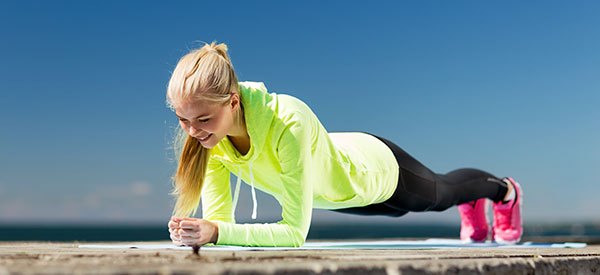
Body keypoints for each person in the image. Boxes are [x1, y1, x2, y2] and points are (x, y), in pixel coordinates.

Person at [166, 41, 523, 247]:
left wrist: (214, 232)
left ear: (232, 102)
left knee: (439, 195)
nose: (193, 131)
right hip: (336, 196)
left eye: (203, 119)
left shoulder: (288, 119)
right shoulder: (212, 141)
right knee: (398, 212)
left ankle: (503, 192)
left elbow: (294, 233)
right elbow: (218, 225)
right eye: (184, 119)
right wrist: (200, 232)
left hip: (375, 169)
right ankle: (472, 200)